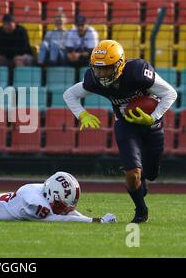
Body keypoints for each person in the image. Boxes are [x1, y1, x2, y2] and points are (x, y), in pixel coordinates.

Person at [63, 40, 177, 223]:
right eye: (97, 68)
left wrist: (153, 117)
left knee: (151, 173)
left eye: (106, 68)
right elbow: (69, 94)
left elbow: (170, 93)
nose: (101, 73)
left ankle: (144, 179)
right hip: (125, 124)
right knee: (132, 173)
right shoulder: (94, 79)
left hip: (151, 125)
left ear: (120, 65)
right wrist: (82, 114)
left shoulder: (138, 73)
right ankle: (141, 210)